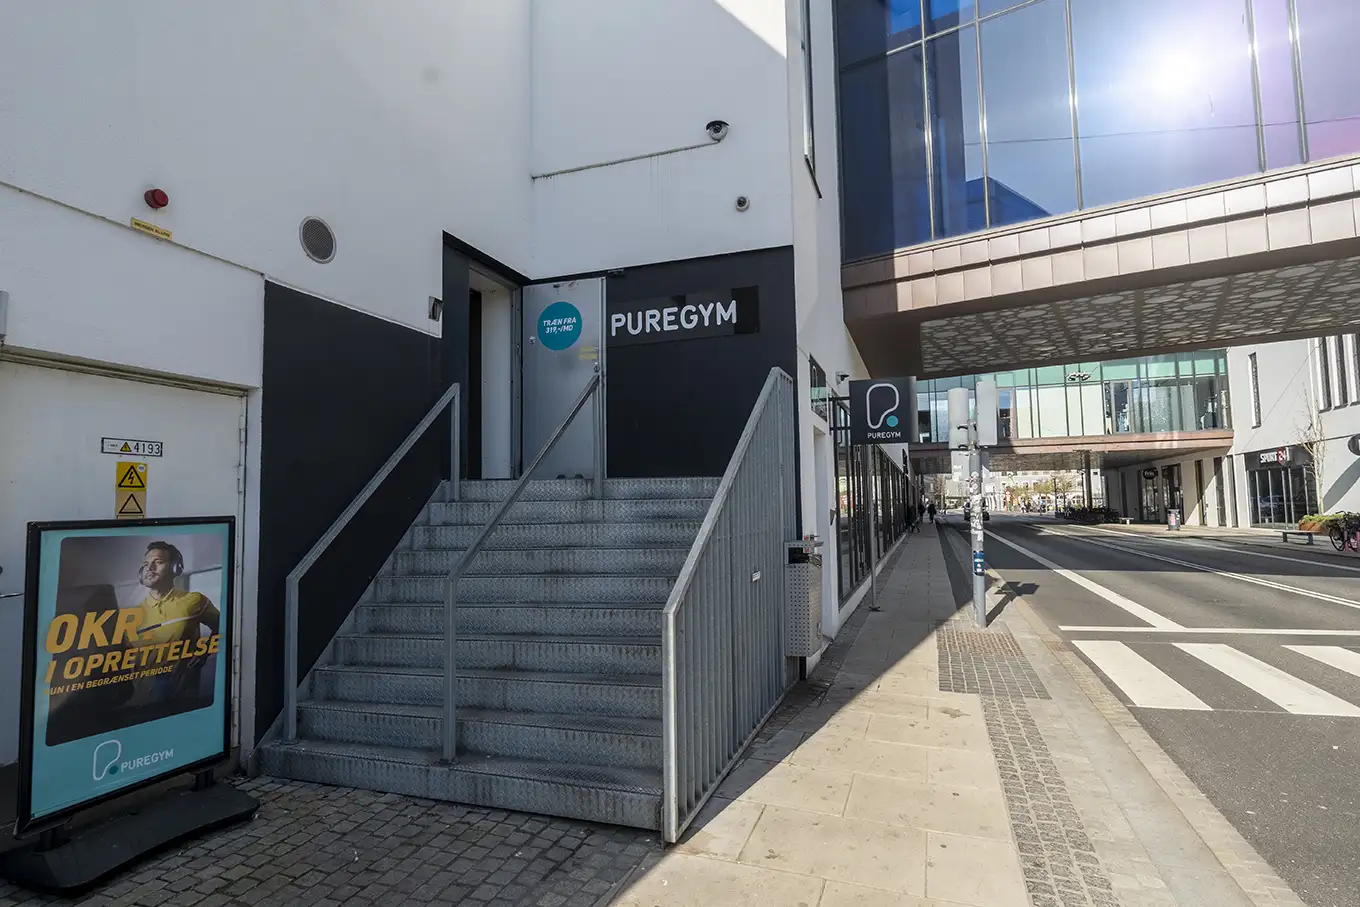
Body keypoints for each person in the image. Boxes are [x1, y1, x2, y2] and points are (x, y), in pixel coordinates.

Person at [131, 541, 221, 709]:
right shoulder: (135, 613)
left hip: (182, 699)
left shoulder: (193, 601)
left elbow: (222, 626)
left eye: (158, 562)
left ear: (175, 568)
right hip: (142, 700)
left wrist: (203, 654)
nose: (150, 568)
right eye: (146, 564)